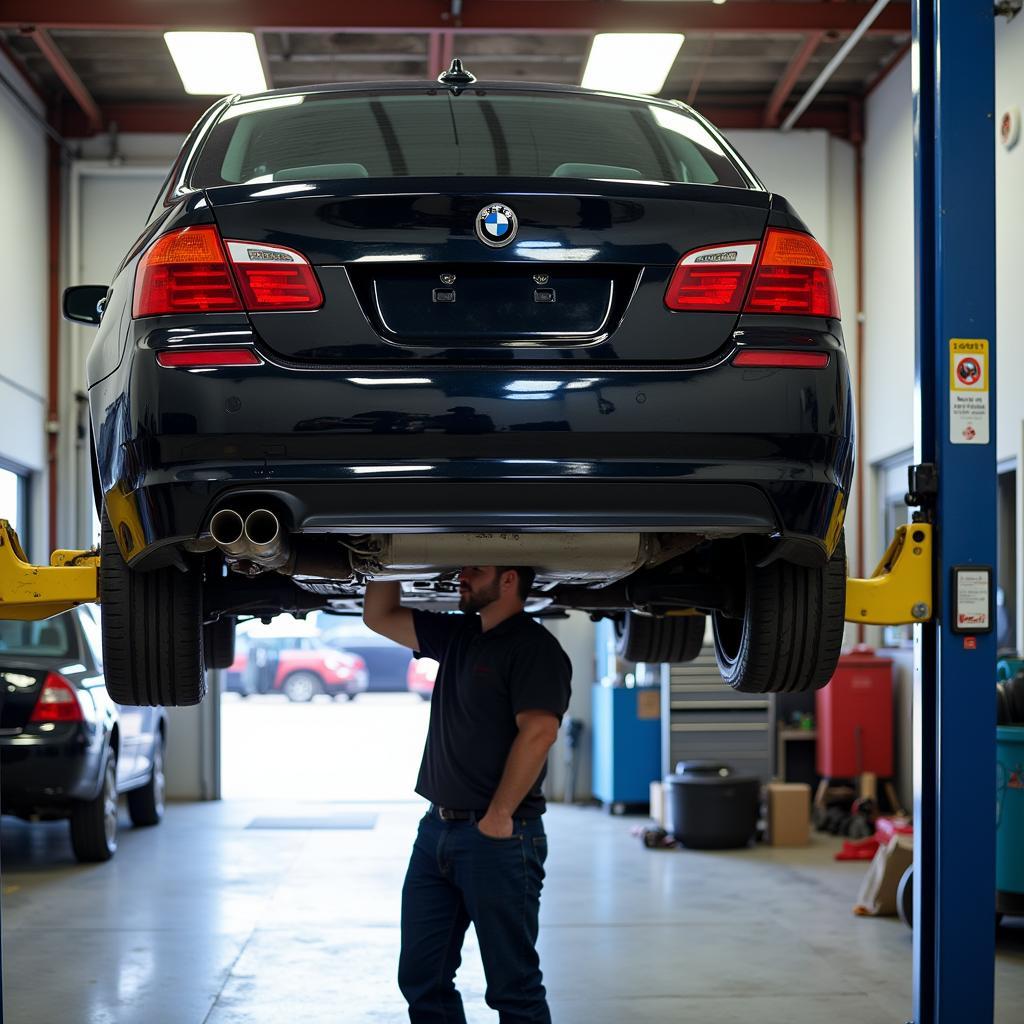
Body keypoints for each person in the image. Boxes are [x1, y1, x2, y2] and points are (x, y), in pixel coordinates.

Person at [363, 566, 572, 1024]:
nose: (462, 575)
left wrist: (498, 816)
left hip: (499, 838)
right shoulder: (458, 634)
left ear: (510, 580)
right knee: (422, 978)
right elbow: (379, 615)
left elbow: (539, 732)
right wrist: (383, 545)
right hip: (435, 831)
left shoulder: (534, 648)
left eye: (476, 570)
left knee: (513, 988)